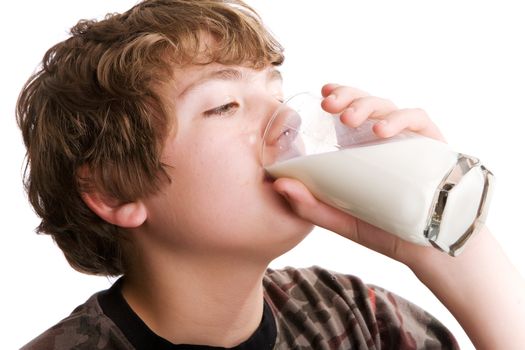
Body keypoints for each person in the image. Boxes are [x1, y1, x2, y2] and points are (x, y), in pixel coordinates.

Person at [16, 0, 525, 349]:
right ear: (113, 188)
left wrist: (445, 240)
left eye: (277, 96)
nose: (290, 121)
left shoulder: (353, 318)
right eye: (225, 105)